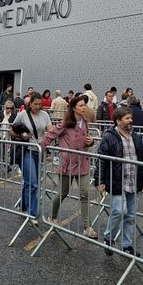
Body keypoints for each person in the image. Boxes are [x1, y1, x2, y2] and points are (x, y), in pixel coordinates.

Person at [40, 95, 97, 237]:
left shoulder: (84, 122)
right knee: (62, 193)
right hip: (66, 164)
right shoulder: (65, 123)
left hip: (82, 163)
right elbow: (50, 135)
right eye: (81, 106)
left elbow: (86, 140)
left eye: (85, 105)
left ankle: (87, 227)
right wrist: (40, 150)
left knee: (85, 194)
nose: (84, 108)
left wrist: (90, 142)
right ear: (73, 108)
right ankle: (53, 217)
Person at [96, 107, 143, 255]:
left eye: (130, 118)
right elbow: (101, 159)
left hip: (133, 180)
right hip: (116, 180)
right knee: (119, 211)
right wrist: (100, 180)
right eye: (127, 118)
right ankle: (109, 238)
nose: (131, 120)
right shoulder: (109, 136)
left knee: (130, 216)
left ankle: (127, 245)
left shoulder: (136, 136)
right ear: (118, 121)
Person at [10, 96, 52, 221]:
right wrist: (21, 134)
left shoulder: (45, 115)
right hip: (26, 150)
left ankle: (23, 206)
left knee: (31, 181)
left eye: (40, 104)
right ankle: (32, 214)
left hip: (39, 151)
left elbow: (50, 129)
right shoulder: (22, 115)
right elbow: (11, 131)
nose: (38, 106)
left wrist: (55, 132)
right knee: (33, 183)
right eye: (35, 104)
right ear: (30, 104)